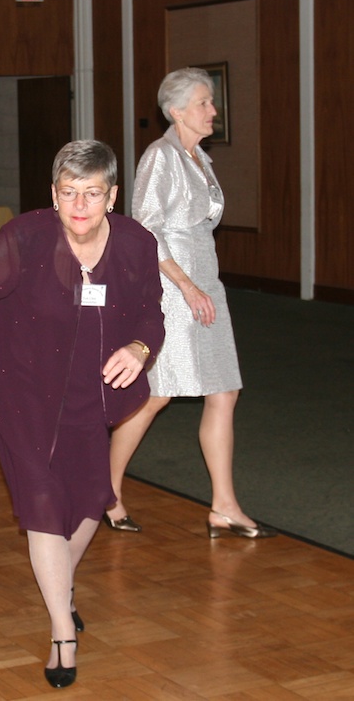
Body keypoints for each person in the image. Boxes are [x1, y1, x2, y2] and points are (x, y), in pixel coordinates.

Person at [0, 140, 164, 689]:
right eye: (68, 193)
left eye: (92, 194)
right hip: (23, 392)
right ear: (53, 194)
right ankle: (61, 632)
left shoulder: (138, 244)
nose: (79, 205)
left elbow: (150, 314)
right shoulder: (27, 237)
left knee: (93, 498)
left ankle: (58, 590)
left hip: (91, 396)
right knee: (43, 505)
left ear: (112, 196)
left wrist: (140, 349)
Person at [105, 67, 277, 540]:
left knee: (224, 391)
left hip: (206, 283)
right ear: (177, 110)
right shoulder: (160, 156)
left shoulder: (198, 156)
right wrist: (185, 285)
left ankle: (223, 506)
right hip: (173, 288)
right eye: (204, 102)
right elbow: (146, 228)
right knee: (154, 395)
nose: (213, 110)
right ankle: (106, 489)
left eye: (210, 102)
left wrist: (202, 284)